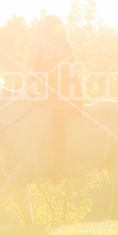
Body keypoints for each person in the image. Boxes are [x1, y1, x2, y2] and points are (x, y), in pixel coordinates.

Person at [28, 15, 83, 175]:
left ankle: (59, 166)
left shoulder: (65, 51)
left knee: (58, 122)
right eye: (43, 26)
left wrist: (49, 94)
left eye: (48, 26)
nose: (44, 29)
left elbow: (67, 78)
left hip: (67, 97)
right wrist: (29, 90)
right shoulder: (41, 53)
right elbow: (35, 75)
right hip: (46, 96)